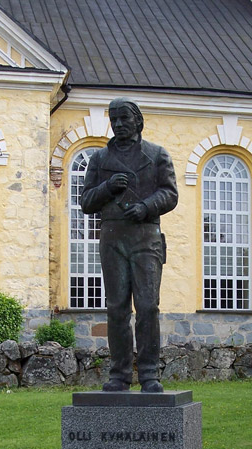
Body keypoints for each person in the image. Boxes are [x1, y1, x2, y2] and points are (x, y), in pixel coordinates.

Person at [80, 98, 178, 393]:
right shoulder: (98, 159)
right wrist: (107, 187)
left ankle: (149, 374)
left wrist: (147, 207)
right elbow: (85, 202)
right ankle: (120, 375)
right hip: (112, 237)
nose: (119, 124)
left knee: (148, 306)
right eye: (114, 119)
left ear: (138, 121)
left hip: (145, 237)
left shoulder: (157, 155)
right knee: (117, 308)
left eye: (124, 119)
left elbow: (170, 194)